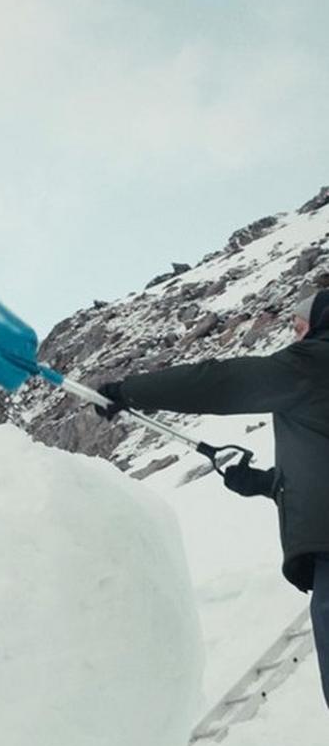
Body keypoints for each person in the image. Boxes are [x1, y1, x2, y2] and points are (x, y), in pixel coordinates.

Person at [96, 289, 329, 705]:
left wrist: (129, 391)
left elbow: (221, 383)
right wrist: (264, 482)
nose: (295, 339)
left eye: (298, 328)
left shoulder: (314, 364)